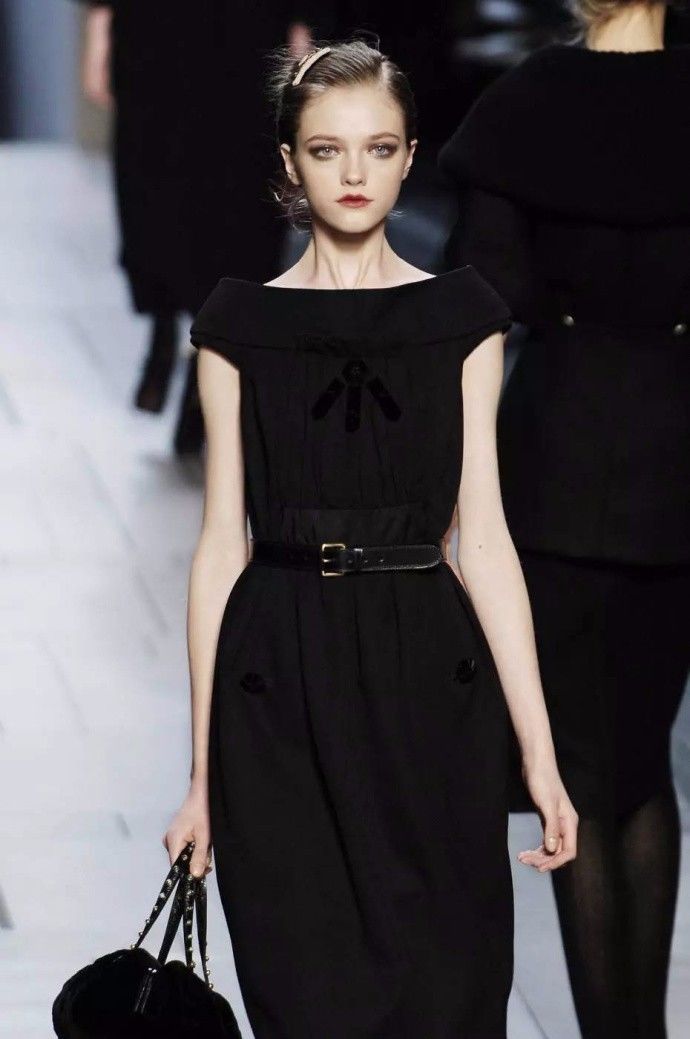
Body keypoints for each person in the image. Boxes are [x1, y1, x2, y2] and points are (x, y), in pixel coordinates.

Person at [163, 40, 577, 1037]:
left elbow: (485, 539)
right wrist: (201, 776)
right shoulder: (238, 327)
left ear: (409, 157)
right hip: (278, 689)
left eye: (378, 147)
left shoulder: (463, 320)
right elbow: (220, 547)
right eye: (327, 149)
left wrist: (539, 751)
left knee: (449, 993)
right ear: (289, 163)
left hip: (430, 683)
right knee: (307, 994)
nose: (354, 172)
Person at [438, 2, 690, 1036]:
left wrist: (453, 496)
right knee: (644, 759)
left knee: (580, 762)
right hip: (678, 466)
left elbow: (480, 307)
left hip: (558, 463)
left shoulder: (527, 106)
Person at [75, 1, 308, 450]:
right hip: (154, 28)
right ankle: (166, 323)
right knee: (153, 179)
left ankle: (210, 360)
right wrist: (100, 22)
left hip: (249, 29)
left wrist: (304, 24)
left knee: (240, 195)